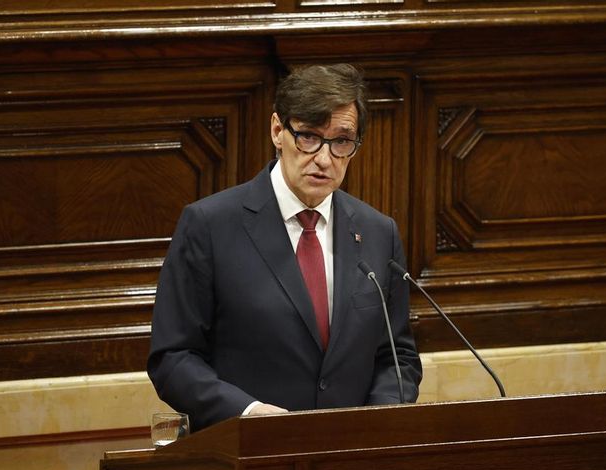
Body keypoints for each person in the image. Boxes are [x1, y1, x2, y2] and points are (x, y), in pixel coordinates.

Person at [147, 64, 422, 431]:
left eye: (341, 142)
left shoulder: (377, 232)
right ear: (278, 130)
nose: (324, 158)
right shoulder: (210, 225)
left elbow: (397, 356)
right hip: (249, 447)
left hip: (350, 451)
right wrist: (248, 413)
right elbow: (173, 358)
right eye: (309, 136)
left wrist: (375, 419)